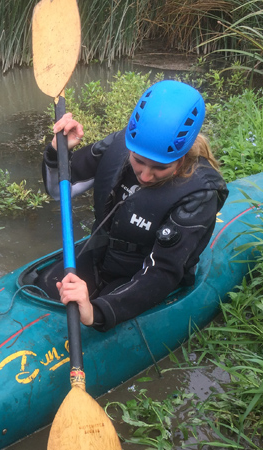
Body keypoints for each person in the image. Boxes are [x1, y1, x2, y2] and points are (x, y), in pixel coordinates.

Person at [38, 80, 228, 332]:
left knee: (91, 322)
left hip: (143, 273)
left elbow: (162, 272)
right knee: (43, 285)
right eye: (138, 161)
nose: (146, 175)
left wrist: (97, 312)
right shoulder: (117, 146)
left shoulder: (199, 194)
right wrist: (56, 152)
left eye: (160, 167)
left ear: (181, 158)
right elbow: (57, 191)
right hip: (101, 256)